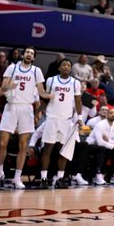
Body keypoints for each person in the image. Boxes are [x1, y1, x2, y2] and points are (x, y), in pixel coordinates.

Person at [0, 47, 51, 189]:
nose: (29, 54)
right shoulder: (12, 67)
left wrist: (50, 96)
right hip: (11, 106)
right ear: (23, 55)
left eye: (32, 53)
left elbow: (41, 92)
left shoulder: (37, 71)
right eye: (27, 52)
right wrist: (8, 86)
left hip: (27, 108)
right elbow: (3, 87)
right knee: (3, 143)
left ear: (34, 57)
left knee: (23, 145)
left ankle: (17, 177)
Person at [39, 58, 83, 188]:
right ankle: (43, 179)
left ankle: (60, 178)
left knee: (63, 151)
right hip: (52, 118)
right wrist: (39, 111)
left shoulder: (75, 83)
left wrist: (79, 117)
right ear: (59, 68)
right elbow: (45, 99)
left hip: (66, 120)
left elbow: (78, 101)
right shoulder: (51, 80)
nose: (67, 67)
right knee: (48, 149)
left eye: (69, 65)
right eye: (64, 65)